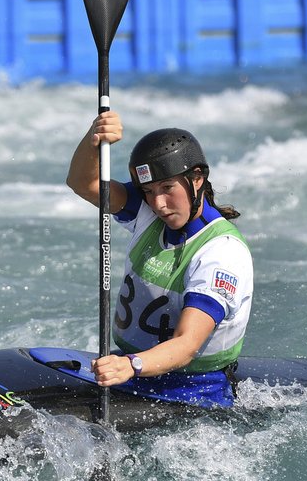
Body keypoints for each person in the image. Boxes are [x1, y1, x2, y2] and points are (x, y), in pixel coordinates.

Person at [66, 110, 254, 407]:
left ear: (197, 179)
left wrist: (130, 366)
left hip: (193, 391)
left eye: (167, 188)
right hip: (135, 372)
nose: (158, 204)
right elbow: (82, 183)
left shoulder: (221, 252)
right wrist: (95, 138)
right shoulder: (149, 213)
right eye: (148, 191)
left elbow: (187, 345)